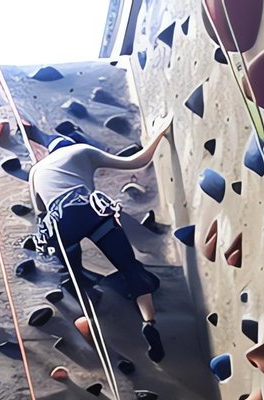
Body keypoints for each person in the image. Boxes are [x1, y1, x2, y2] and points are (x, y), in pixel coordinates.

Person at [27, 116, 173, 360]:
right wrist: (159, 134)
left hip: (61, 223)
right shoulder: (81, 150)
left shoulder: (35, 171)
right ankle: (149, 321)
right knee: (129, 267)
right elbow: (137, 161)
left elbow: (41, 213)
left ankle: (88, 294)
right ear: (67, 143)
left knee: (73, 269)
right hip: (90, 210)